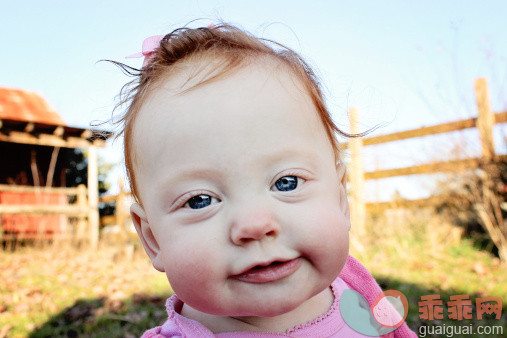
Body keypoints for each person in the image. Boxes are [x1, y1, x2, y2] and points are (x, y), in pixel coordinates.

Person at [112, 23, 416, 337]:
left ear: (341, 199)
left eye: (287, 182)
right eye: (199, 200)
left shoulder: (358, 291)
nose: (254, 225)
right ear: (153, 239)